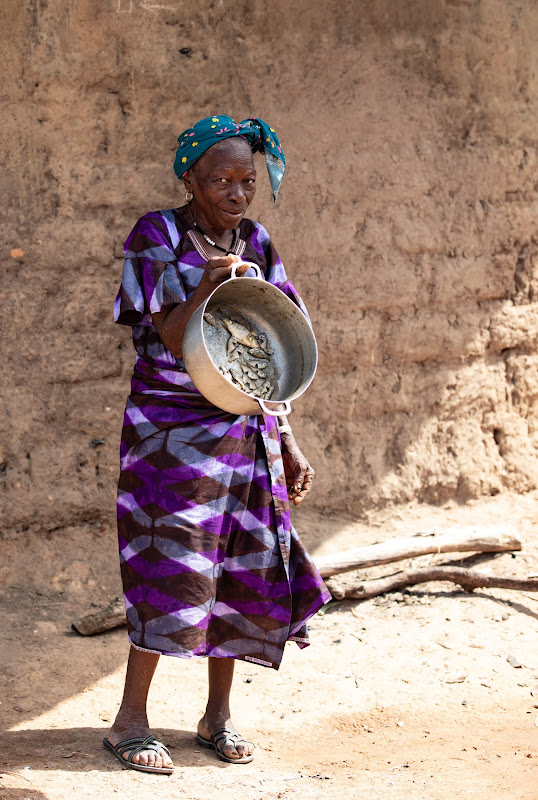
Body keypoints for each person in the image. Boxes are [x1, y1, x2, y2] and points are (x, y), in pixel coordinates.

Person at [104, 115, 330, 774]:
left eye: (245, 181)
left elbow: (277, 355)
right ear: (191, 179)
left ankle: (218, 715)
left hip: (244, 431)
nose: (235, 194)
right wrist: (207, 284)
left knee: (239, 567)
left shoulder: (257, 239)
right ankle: (129, 721)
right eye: (220, 181)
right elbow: (173, 338)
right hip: (167, 436)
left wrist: (287, 440)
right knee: (165, 568)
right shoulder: (157, 236)